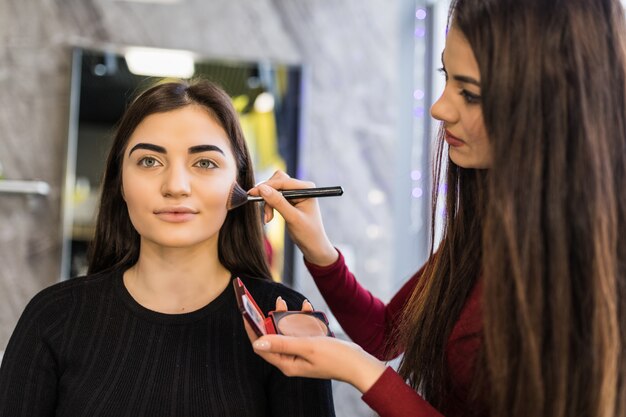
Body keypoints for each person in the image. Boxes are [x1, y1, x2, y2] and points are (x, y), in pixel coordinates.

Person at [243, 0, 626, 416]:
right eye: (446, 76)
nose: (439, 107)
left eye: (471, 93)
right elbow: (388, 333)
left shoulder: (595, 276)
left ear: (549, 104)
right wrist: (319, 248)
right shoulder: (492, 227)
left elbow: (376, 355)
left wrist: (362, 372)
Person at [0, 80, 335, 416]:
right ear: (120, 184)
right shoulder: (53, 317)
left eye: (204, 163)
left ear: (243, 184)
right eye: (149, 161)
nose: (175, 186)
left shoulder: (287, 321)